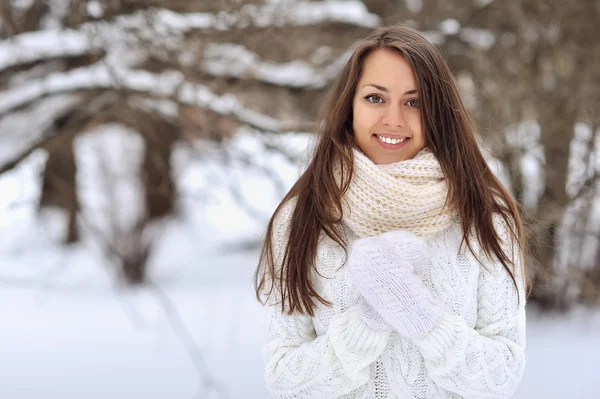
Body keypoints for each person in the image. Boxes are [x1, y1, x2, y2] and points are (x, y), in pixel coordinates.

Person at [253, 24, 528, 399]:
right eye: (375, 98)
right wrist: (367, 321)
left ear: (438, 112)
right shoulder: (303, 220)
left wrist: (420, 314)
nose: (394, 120)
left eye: (414, 102)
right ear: (349, 105)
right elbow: (285, 380)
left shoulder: (485, 218)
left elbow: (502, 376)